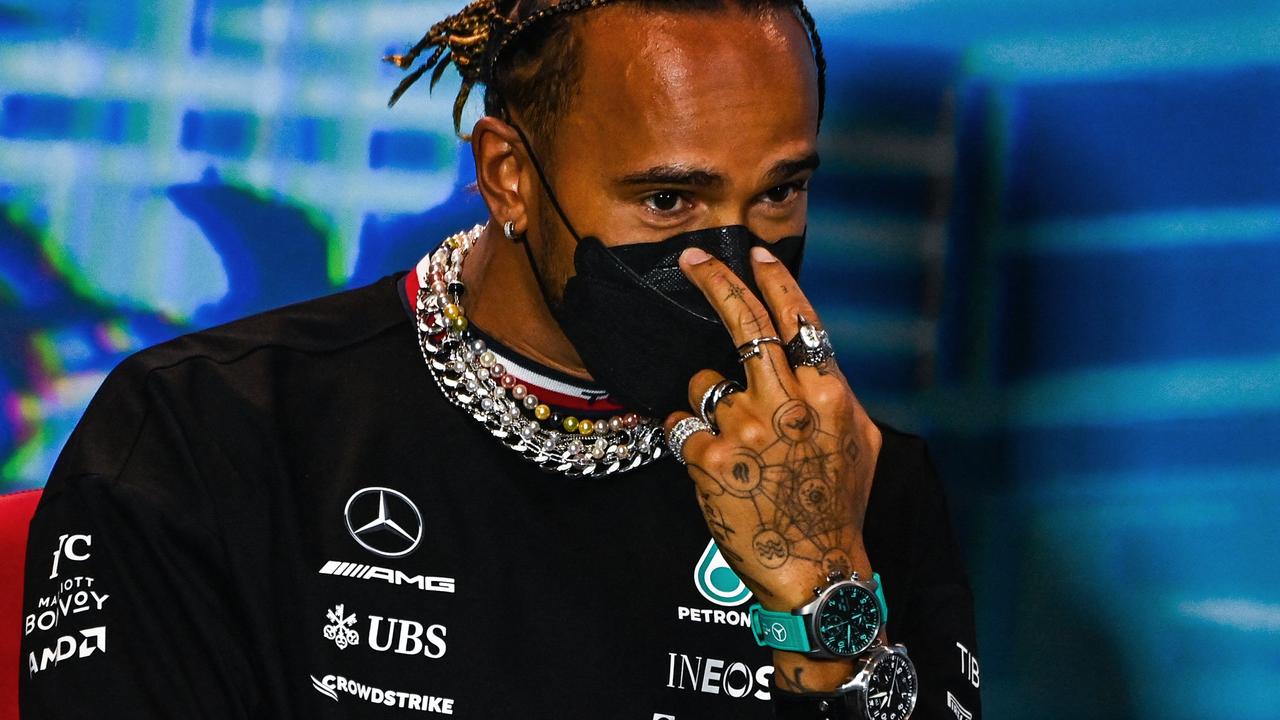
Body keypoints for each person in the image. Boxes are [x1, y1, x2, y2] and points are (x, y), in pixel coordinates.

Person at [19, 0, 982, 718]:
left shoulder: (859, 472)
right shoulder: (205, 431)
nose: (728, 260)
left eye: (779, 196)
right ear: (509, 176)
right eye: (667, 202)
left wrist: (825, 598)